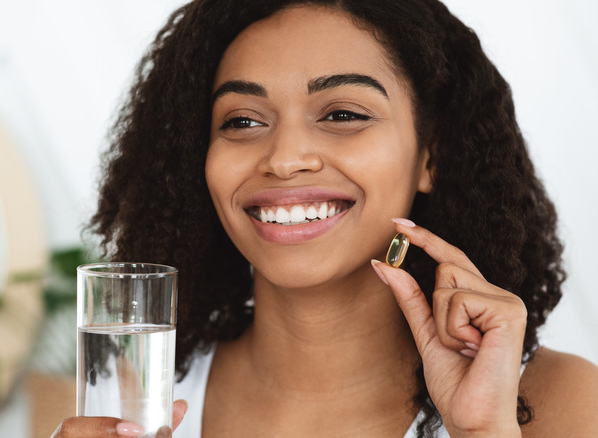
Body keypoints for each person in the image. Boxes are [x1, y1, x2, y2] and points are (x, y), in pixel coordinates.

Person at [53, 0, 598, 436]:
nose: (286, 158)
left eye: (342, 114)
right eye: (243, 120)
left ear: (431, 155)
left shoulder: (559, 404)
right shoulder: (124, 403)